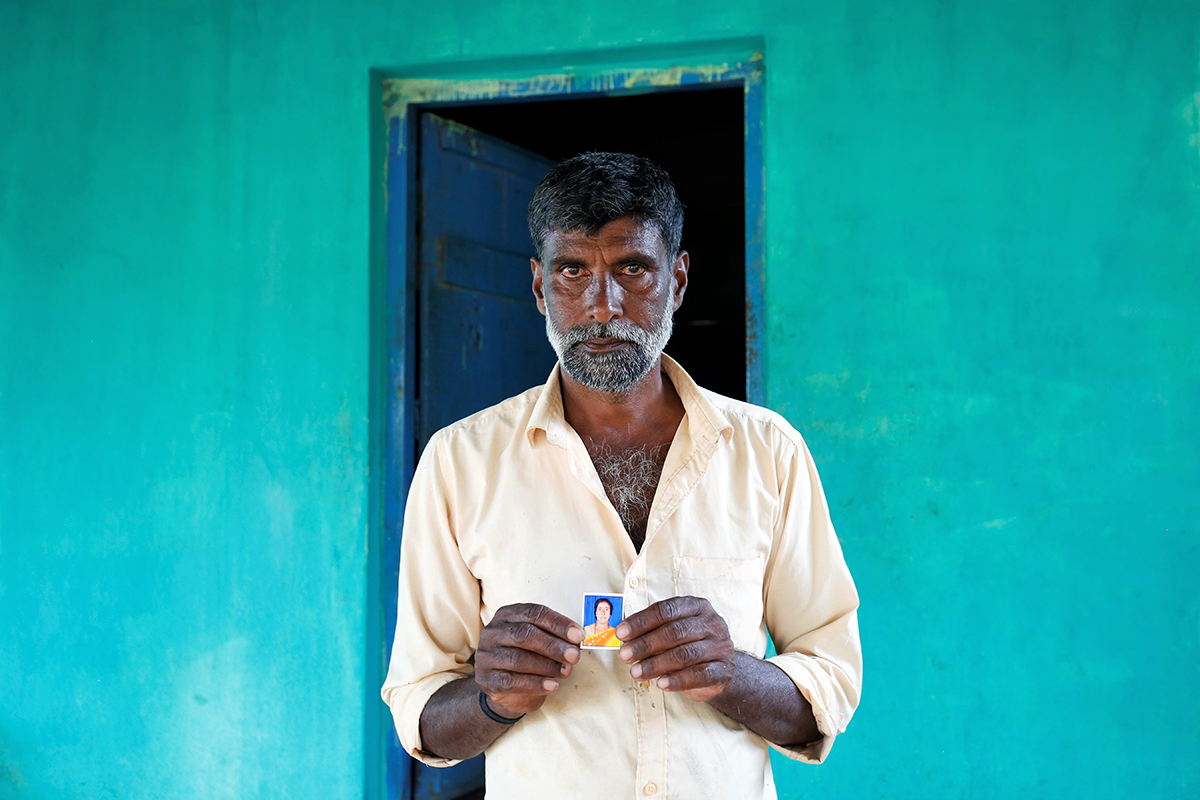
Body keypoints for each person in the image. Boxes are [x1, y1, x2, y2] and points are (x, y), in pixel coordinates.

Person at [381, 152, 862, 800]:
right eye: (572, 271)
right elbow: (424, 716)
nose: (601, 307)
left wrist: (729, 674)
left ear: (678, 279)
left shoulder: (768, 453)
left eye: (631, 268)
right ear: (537, 286)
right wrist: (491, 700)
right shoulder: (460, 462)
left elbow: (830, 682)